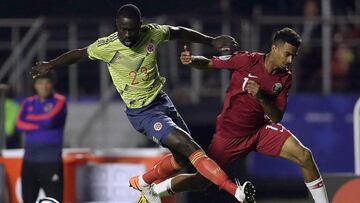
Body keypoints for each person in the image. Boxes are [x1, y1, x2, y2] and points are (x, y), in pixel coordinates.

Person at [30, 4, 255, 203]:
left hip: (162, 101)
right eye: (122, 29)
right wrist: (50, 64)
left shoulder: (152, 33)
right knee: (191, 147)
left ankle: (144, 182)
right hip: (143, 113)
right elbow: (79, 54)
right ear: (117, 26)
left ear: (141, 25)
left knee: (183, 161)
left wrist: (210, 40)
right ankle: (236, 192)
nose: (127, 35)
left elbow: (178, 32)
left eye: (132, 29)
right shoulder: (106, 46)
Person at [151, 28, 329, 203]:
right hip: (230, 135)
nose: (290, 60)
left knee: (305, 156)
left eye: (293, 56)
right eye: (287, 54)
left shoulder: (285, 78)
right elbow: (209, 63)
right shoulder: (247, 60)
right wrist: (191, 60)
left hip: (261, 131)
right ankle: (156, 190)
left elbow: (276, 117)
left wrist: (261, 96)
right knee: (201, 181)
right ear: (275, 48)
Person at [16, 72, 67, 203]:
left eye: (47, 82)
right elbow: (19, 125)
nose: (44, 86)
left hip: (50, 160)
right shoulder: (28, 103)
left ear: (52, 84)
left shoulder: (59, 100)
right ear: (35, 86)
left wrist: (30, 120)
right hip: (29, 159)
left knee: (54, 200)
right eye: (40, 83)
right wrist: (40, 124)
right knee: (27, 199)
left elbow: (49, 120)